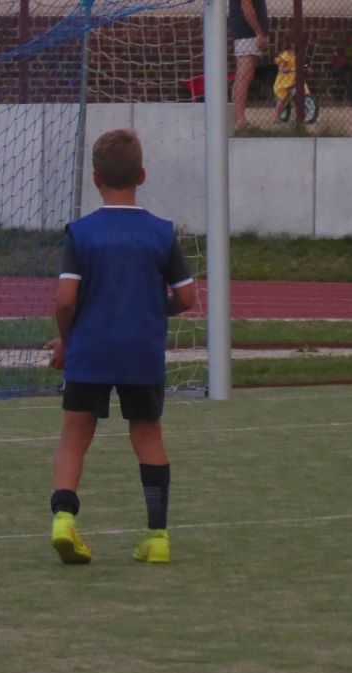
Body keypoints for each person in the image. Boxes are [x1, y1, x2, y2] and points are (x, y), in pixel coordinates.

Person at [45, 129, 197, 565]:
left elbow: (65, 299)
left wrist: (66, 343)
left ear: (95, 179)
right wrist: (153, 308)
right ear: (142, 175)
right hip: (141, 352)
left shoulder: (81, 233)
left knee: (75, 436)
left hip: (91, 350)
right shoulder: (162, 233)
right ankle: (157, 536)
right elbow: (186, 297)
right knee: (147, 434)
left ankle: (64, 519)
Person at [230, 0, 270, 131]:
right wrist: (259, 32)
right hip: (247, 33)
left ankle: (238, 117)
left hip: (247, 32)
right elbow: (246, 6)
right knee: (244, 75)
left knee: (245, 75)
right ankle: (239, 118)